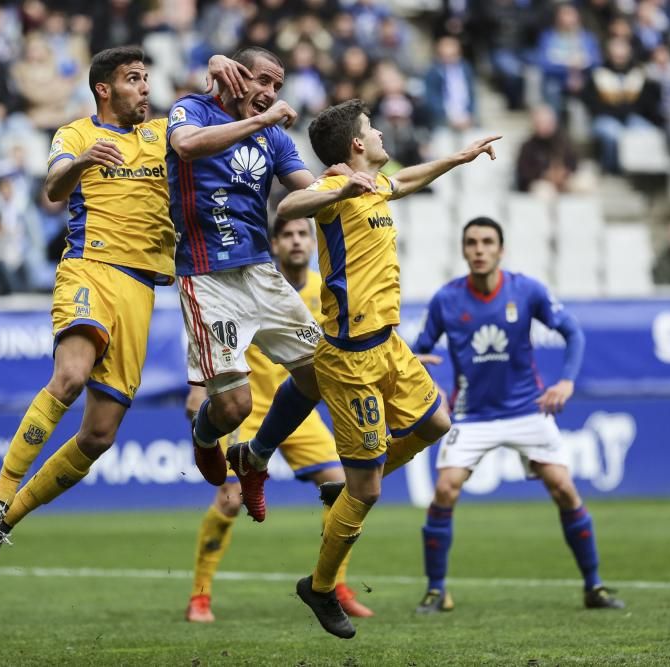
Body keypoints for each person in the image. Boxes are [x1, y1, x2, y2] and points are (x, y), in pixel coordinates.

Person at [275, 99, 498, 639]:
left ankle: (348, 486)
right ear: (356, 144)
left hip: (390, 345)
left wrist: (458, 158)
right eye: (371, 129)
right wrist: (340, 188)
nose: (379, 134)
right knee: (369, 493)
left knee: (437, 424)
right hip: (350, 358)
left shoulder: (376, 186)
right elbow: (289, 208)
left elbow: (409, 180)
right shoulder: (336, 191)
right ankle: (321, 587)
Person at [0, 46, 178, 578]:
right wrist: (84, 162)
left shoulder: (163, 136)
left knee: (99, 436)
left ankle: (6, 520)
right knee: (70, 376)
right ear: (104, 89)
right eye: (133, 79)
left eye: (147, 78)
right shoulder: (76, 134)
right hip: (90, 267)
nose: (145, 88)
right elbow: (53, 188)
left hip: (144, 287)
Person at [409, 217, 625, 614]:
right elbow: (417, 351)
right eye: (471, 242)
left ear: (500, 250)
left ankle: (594, 586)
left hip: (527, 409)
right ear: (463, 250)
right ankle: (436, 590)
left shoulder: (526, 290)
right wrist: (425, 383)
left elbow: (572, 332)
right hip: (471, 414)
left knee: (563, 488)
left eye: (487, 242)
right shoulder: (447, 299)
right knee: (444, 490)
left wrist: (566, 383)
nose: (479, 249)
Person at [166, 46, 327, 524]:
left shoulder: (274, 139)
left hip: (260, 270)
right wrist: (263, 121)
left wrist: (345, 179)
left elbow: (307, 188)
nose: (271, 93)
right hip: (207, 274)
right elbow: (187, 147)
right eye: (263, 81)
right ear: (235, 76)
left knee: (319, 375)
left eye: (277, 86)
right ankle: (203, 436)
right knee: (235, 406)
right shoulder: (192, 108)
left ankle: (255, 459)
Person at [184, 217, 373, 622]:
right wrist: (199, 388)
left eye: (303, 234)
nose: (297, 241)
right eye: (287, 235)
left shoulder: (327, 289)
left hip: (299, 412)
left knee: (344, 489)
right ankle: (200, 594)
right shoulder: (254, 284)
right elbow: (212, 328)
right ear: (274, 243)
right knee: (229, 501)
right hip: (250, 413)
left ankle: (333, 584)